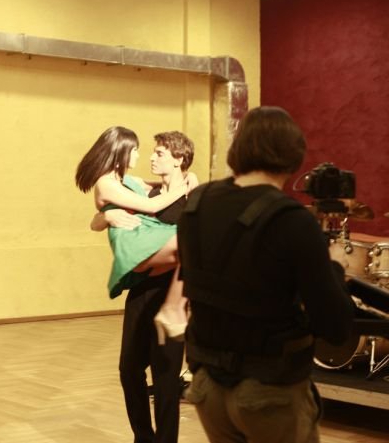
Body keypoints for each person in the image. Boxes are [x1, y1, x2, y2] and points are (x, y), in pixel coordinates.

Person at [177, 106, 355, 443]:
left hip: (207, 387)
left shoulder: (197, 204)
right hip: (268, 391)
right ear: (293, 155)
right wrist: (333, 268)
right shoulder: (292, 220)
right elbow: (334, 326)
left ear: (238, 148)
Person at [75, 127, 194, 443]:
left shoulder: (191, 196)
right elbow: (102, 212)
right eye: (147, 151)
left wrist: (189, 183)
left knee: (166, 377)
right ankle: (144, 437)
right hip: (142, 290)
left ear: (179, 159)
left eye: (159, 153)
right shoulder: (145, 193)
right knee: (129, 370)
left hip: (172, 290)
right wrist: (106, 218)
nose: (150, 158)